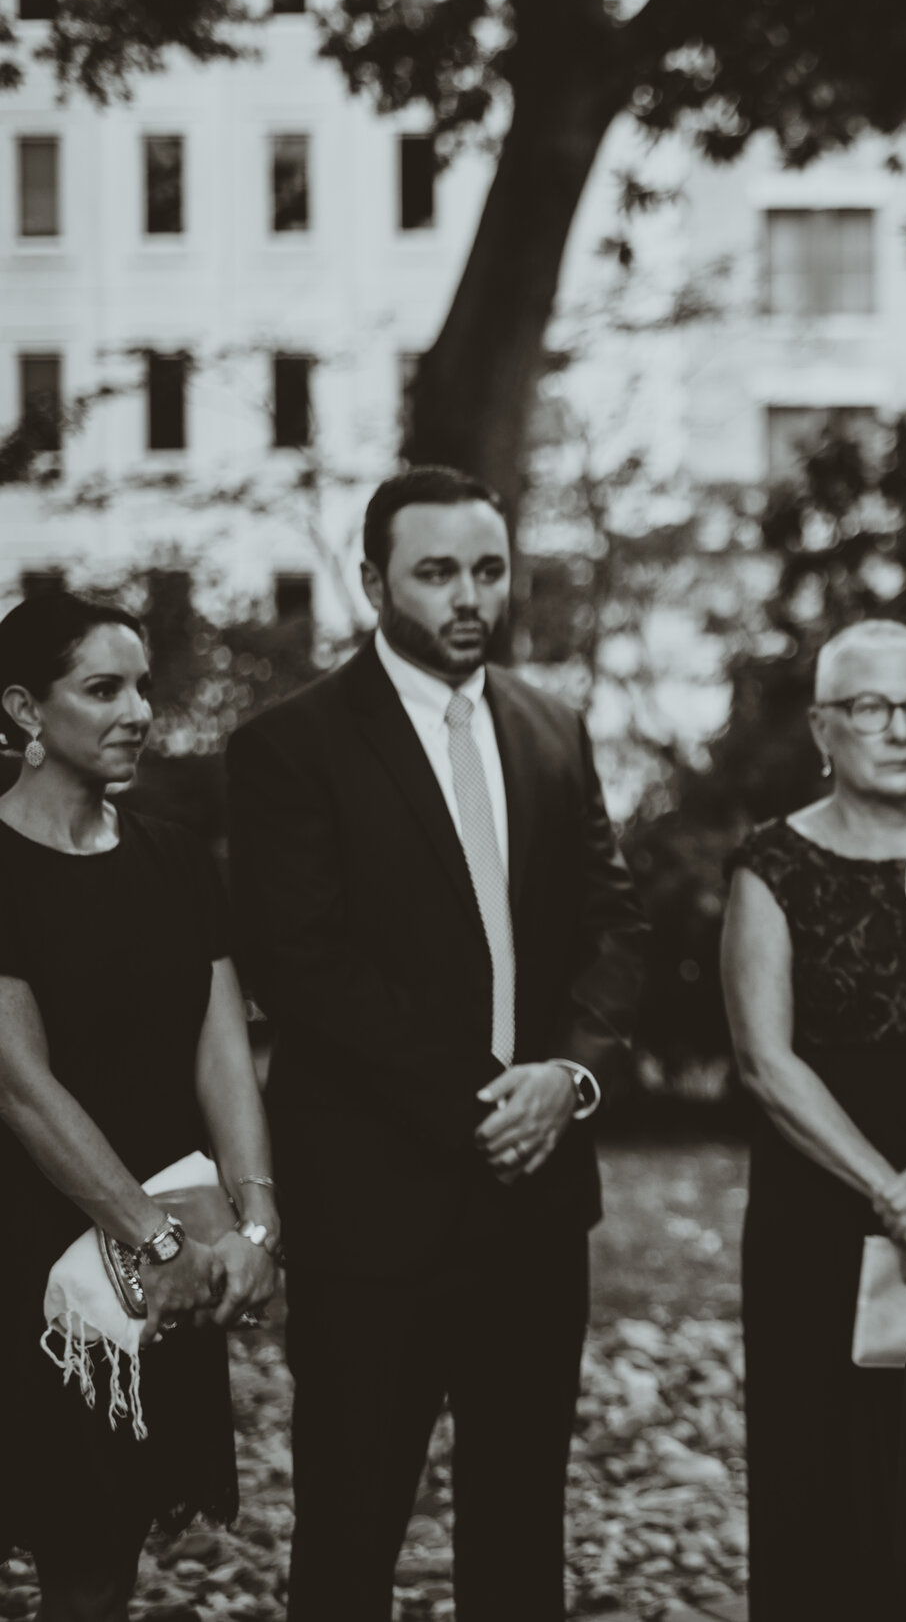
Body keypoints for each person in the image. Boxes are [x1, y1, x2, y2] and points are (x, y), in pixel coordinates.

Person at [225, 467, 646, 1622]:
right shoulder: (289, 747)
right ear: (372, 580)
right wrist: (490, 1100)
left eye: (489, 569)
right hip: (375, 1211)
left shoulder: (552, 726)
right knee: (350, 1542)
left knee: (521, 1540)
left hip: (539, 1205)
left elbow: (614, 929)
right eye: (437, 571)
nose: (470, 596)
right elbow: (304, 970)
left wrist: (566, 1079)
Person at [0, 591, 283, 1622]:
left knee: (99, 1552)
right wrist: (157, 1242)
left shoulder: (171, 854)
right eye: (101, 688)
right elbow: (20, 1085)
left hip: (166, 1245)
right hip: (26, 1242)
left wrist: (255, 1225)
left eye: (144, 688)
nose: (136, 712)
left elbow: (222, 1049)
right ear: (27, 710)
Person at [721, 619, 906, 1618]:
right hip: (818, 1214)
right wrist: (891, 1193)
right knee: (817, 1484)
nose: (898, 727)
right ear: (823, 725)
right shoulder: (773, 864)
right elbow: (766, 1062)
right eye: (869, 706)